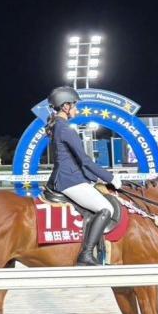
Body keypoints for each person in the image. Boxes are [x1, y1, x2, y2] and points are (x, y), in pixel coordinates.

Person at [44, 86, 124, 266]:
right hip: (69, 181)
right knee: (106, 209)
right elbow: (85, 160)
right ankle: (86, 254)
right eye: (74, 105)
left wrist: (96, 179)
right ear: (65, 107)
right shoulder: (65, 128)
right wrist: (110, 178)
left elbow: (77, 162)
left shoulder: (58, 126)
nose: (77, 109)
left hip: (68, 177)